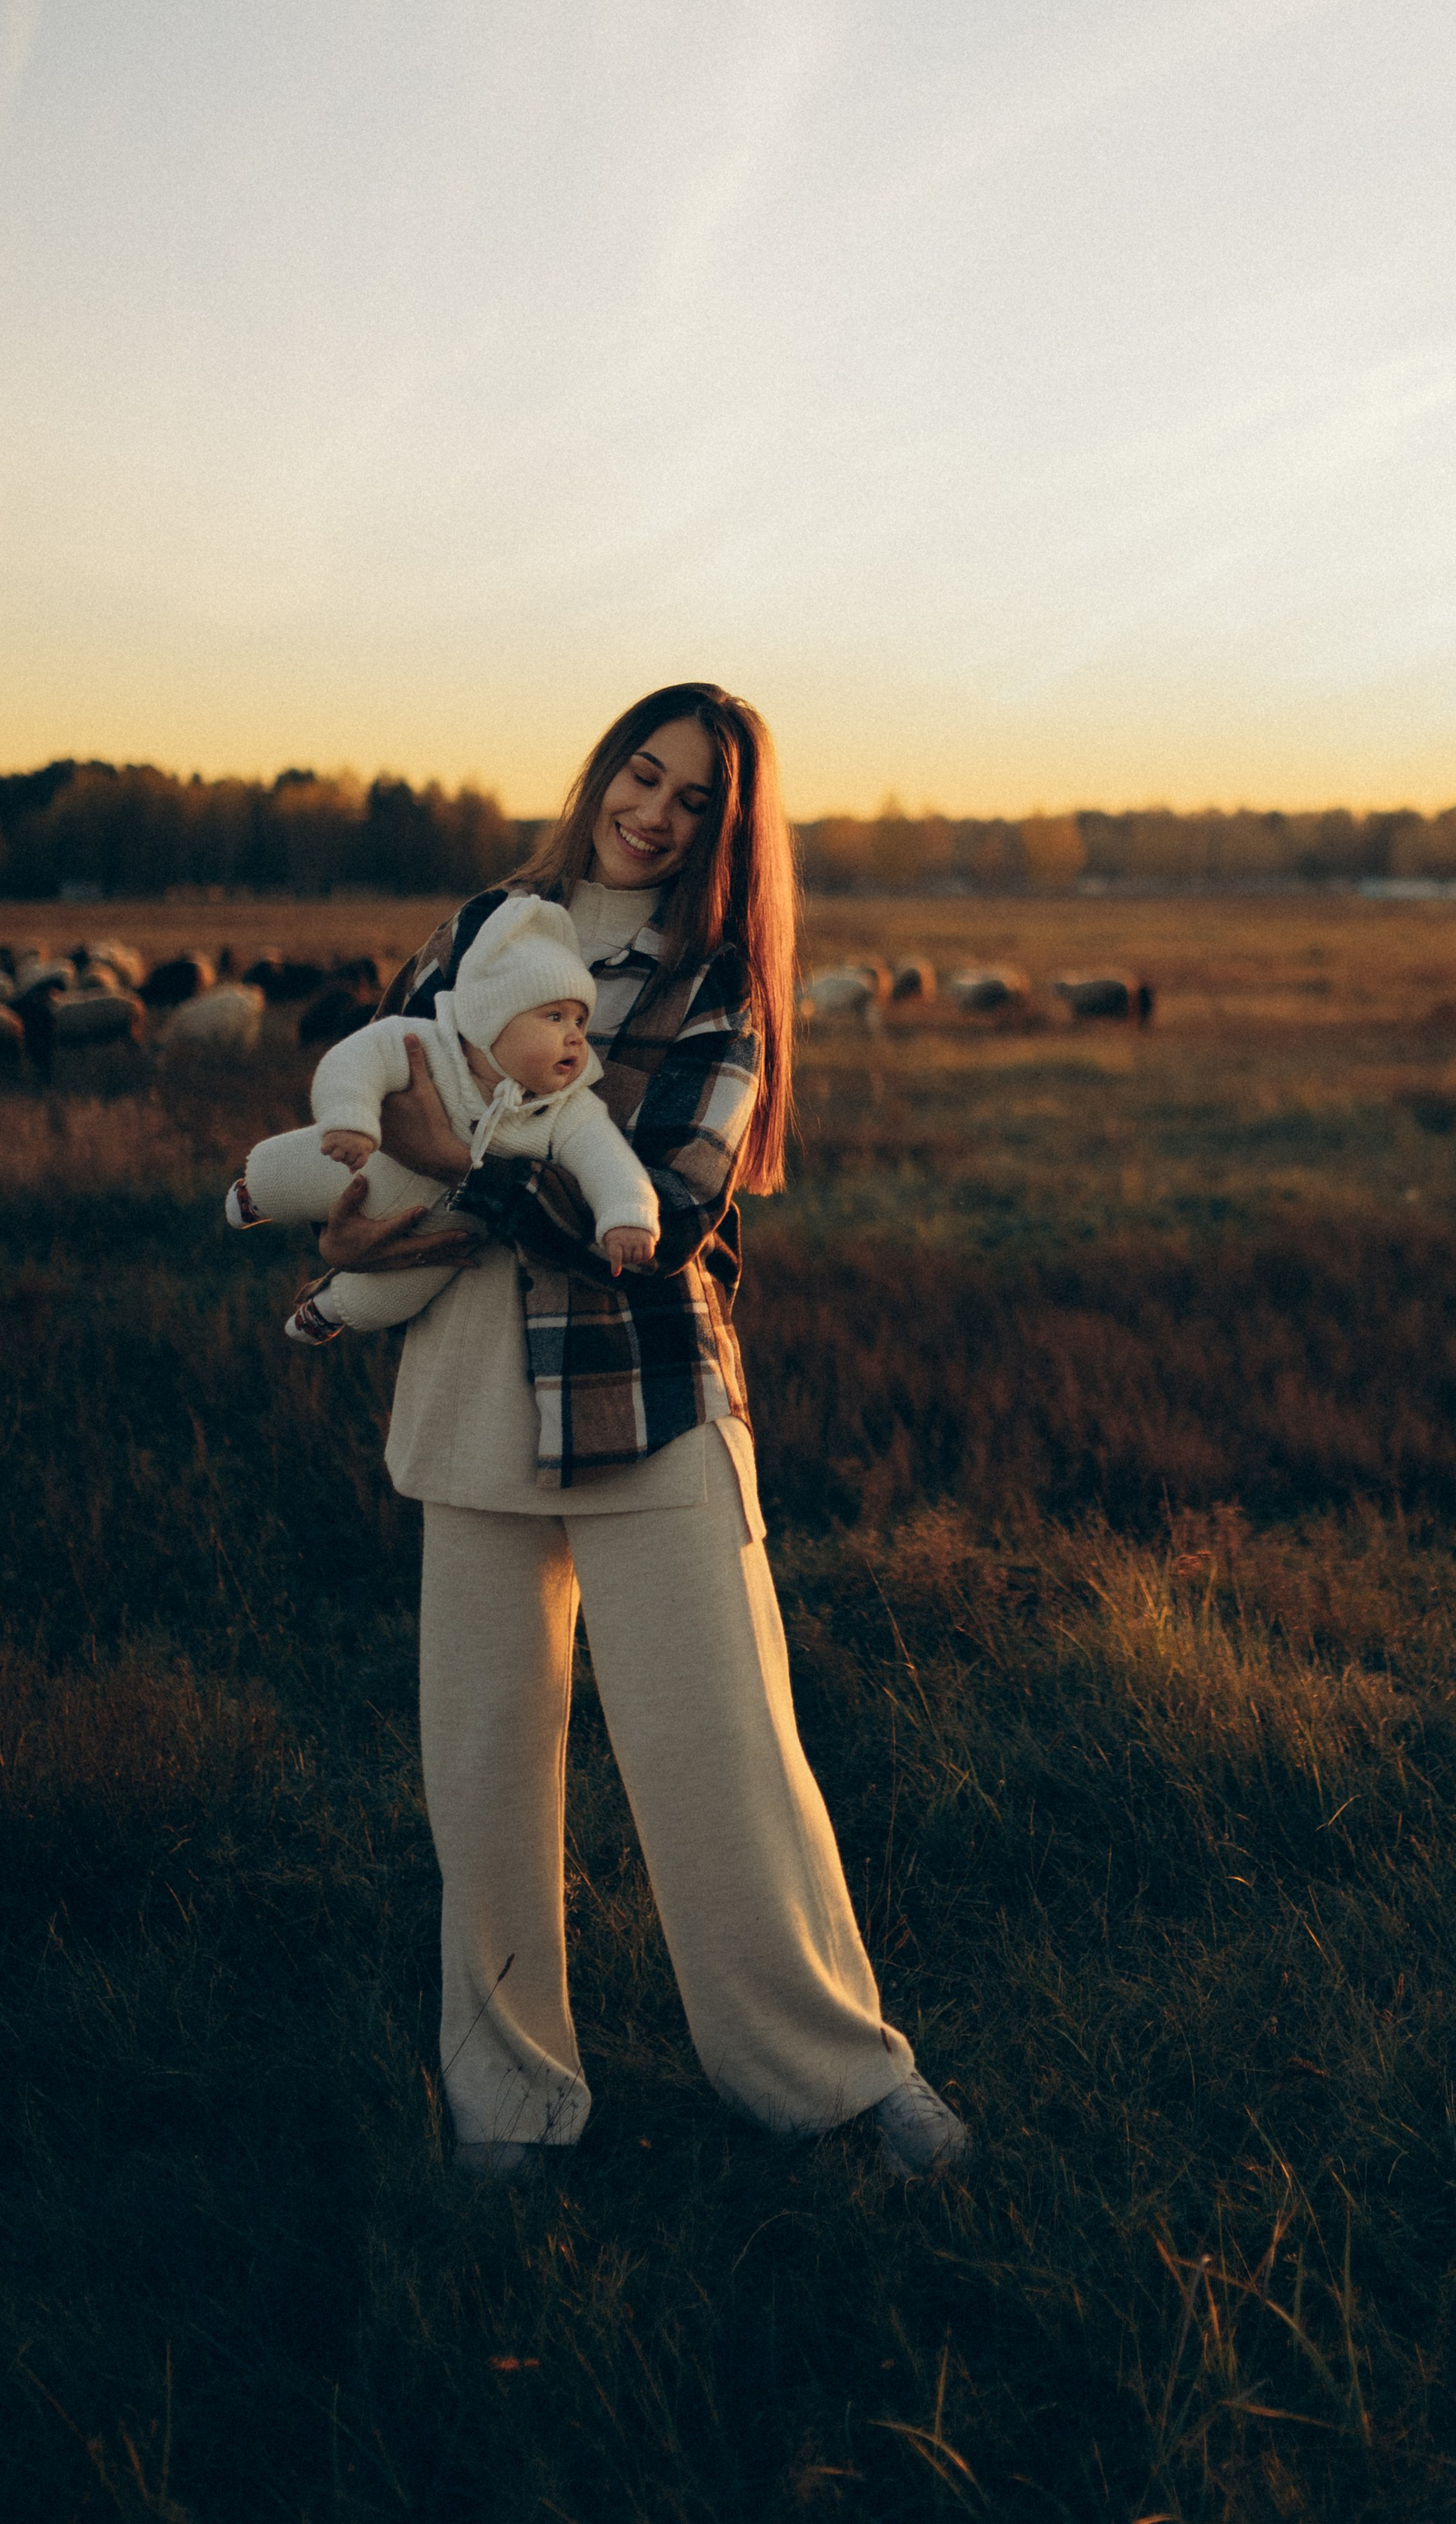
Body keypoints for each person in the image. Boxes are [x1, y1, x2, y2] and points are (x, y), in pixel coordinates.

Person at [313, 683, 970, 2182]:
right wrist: (376, 1208)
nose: (654, 811)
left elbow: (662, 1211)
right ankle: (509, 2107)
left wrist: (465, 1177)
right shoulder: (489, 922)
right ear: (605, 764)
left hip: (651, 1398)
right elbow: (392, 1100)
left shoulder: (718, 980)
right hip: (475, 1390)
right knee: (482, 1771)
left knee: (722, 1755)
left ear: (726, 832)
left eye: (695, 800)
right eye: (643, 771)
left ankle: (839, 2082)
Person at [227, 891, 657, 1344]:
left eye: (580, 1022)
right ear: (494, 1017)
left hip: (448, 1226)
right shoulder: (425, 1046)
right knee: (304, 1169)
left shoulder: (568, 1109)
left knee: (402, 1289)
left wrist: (627, 1215)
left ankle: (331, 1310)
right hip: (372, 1167)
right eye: (554, 1016)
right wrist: (351, 1118)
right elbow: (354, 1060)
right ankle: (255, 1193)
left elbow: (609, 1161)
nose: (574, 1037)